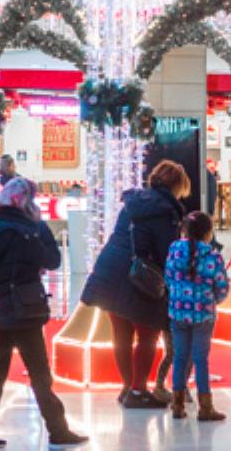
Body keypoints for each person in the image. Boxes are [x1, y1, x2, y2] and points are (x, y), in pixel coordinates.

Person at [0, 177, 87, 449]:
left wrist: (0, 287)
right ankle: (58, 429)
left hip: (0, 307)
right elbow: (53, 261)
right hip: (28, 308)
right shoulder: (33, 227)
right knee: (40, 373)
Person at [80, 160, 189, 409]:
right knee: (147, 333)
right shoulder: (167, 211)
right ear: (176, 185)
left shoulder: (133, 202)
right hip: (141, 278)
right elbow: (166, 252)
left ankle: (128, 386)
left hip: (110, 269)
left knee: (121, 333)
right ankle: (139, 390)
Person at [165, 211, 229, 421]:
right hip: (203, 314)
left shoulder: (174, 249)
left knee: (180, 356)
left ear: (184, 230)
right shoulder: (212, 256)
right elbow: (222, 287)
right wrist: (212, 301)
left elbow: (168, 279)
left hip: (177, 312)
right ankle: (205, 407)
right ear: (208, 233)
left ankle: (177, 404)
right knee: (201, 359)